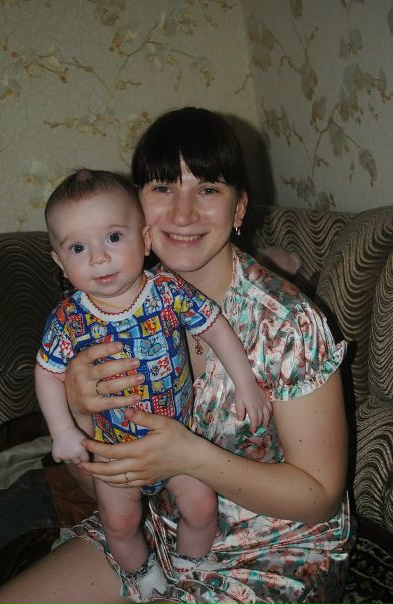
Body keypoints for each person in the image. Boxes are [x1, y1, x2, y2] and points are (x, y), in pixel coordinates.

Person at [0, 107, 354, 604]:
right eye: (163, 187)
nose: (183, 214)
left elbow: (320, 498)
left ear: (239, 208)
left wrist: (191, 456)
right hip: (156, 530)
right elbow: (100, 481)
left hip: (274, 551)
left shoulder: (288, 324)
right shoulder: (100, 315)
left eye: (208, 189)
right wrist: (78, 413)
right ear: (137, 207)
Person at [35, 168, 271, 599]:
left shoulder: (166, 291)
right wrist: (63, 430)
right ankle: (143, 575)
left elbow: (215, 327)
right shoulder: (69, 318)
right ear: (59, 262)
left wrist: (246, 384)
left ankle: (187, 565)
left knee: (201, 509)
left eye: (113, 237)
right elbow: (47, 372)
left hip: (177, 443)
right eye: (78, 247)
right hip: (116, 453)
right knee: (119, 525)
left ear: (144, 240)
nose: (99, 258)